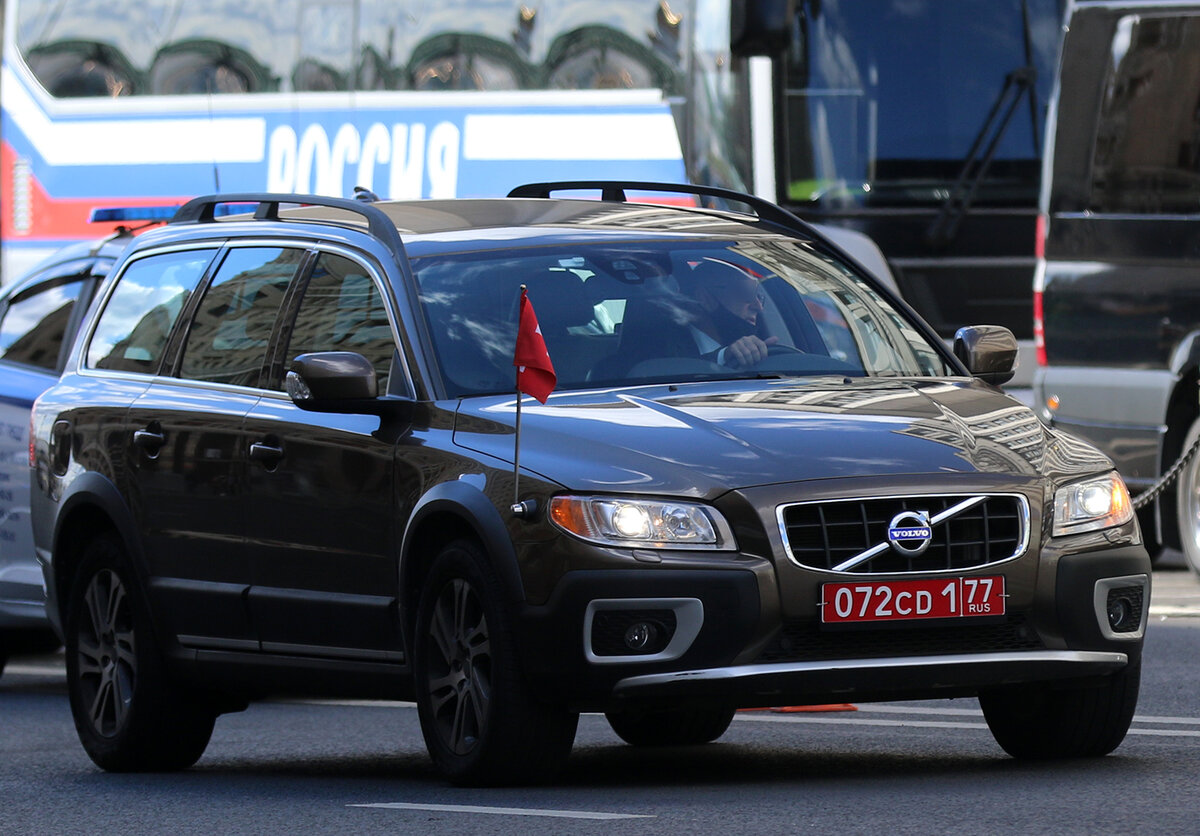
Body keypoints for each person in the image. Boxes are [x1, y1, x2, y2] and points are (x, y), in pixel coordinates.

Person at [683, 258, 778, 367]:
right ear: (704, 298)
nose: (759, 307)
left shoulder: (762, 344)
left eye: (759, 296)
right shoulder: (668, 345)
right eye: (746, 293)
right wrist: (723, 357)